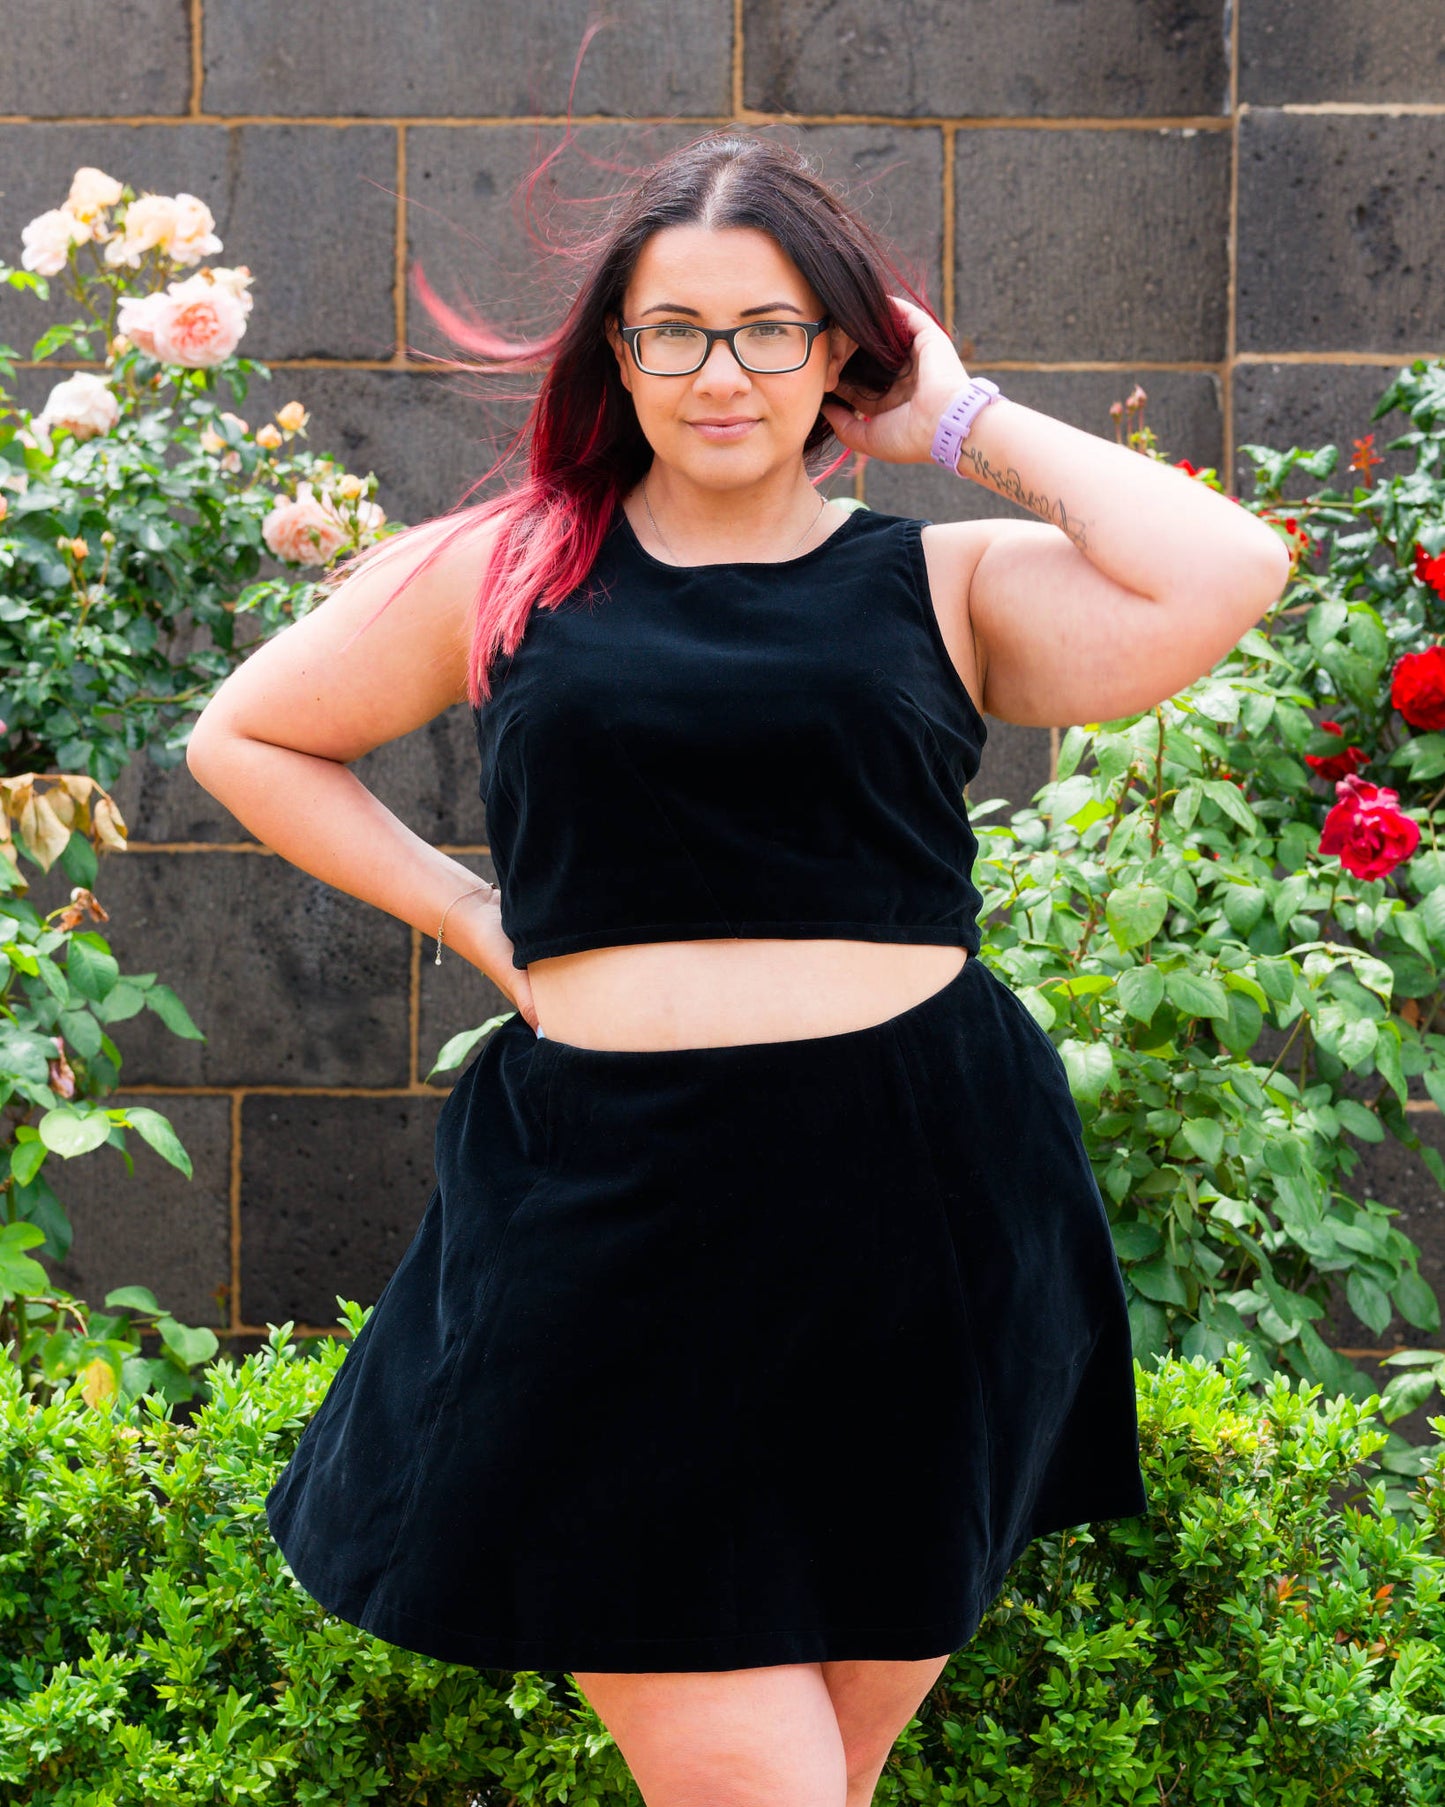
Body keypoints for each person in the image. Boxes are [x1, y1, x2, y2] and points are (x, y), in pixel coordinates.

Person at [186, 132, 1291, 1807]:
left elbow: (1227, 571)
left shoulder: (940, 578)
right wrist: (481, 921)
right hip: (619, 1220)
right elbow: (250, 736)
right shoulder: (507, 568)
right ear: (614, 356)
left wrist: (957, 424)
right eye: (674, 331)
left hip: (917, 1211)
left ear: (844, 345)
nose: (722, 372)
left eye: (771, 328)